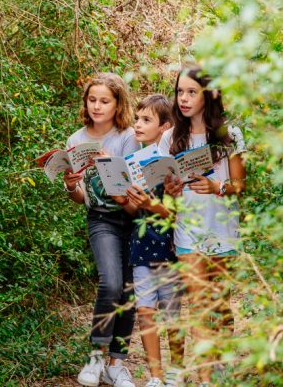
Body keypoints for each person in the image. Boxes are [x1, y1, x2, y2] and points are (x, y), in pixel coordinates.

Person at [160, 65, 246, 387]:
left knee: (220, 305)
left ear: (209, 95)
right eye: (180, 92)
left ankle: (221, 363)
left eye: (191, 92)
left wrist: (216, 187)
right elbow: (165, 188)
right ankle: (205, 379)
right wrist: (170, 190)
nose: (183, 99)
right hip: (188, 231)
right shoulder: (170, 137)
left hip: (222, 230)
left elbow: (239, 185)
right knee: (198, 305)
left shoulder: (229, 134)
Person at [63, 73, 139, 387]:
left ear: (117, 104)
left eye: (104, 101)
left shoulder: (128, 136)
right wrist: (71, 186)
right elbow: (81, 196)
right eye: (92, 100)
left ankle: (116, 365)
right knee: (111, 283)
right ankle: (96, 357)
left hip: (133, 219)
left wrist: (110, 167)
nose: (97, 106)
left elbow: (135, 185)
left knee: (129, 292)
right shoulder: (76, 140)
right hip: (102, 219)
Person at [125, 94, 184, 387]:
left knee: (171, 313)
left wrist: (152, 204)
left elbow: (178, 214)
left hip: (170, 247)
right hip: (141, 244)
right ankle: (155, 377)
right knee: (145, 311)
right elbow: (133, 210)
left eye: (146, 120)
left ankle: (176, 370)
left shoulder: (173, 162)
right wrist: (124, 199)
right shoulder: (133, 162)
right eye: (137, 119)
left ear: (165, 127)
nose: (138, 124)